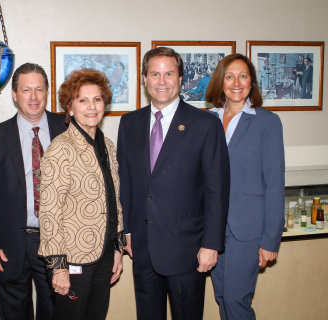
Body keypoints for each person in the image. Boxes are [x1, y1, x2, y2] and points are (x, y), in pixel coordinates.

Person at [116, 47, 230, 320]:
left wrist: (211, 245)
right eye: (155, 74)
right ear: (145, 79)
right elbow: (126, 183)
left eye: (169, 73)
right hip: (143, 249)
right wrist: (127, 232)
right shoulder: (129, 123)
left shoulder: (205, 124)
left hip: (188, 251)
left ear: (180, 79)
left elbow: (217, 189)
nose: (162, 81)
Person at [0, 63, 67, 320]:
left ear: (47, 92)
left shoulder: (69, 128)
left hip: (58, 242)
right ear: (15, 94)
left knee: (57, 311)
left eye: (39, 89)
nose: (33, 97)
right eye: (26, 90)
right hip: (9, 245)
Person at [38, 68, 126, 320]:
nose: (91, 107)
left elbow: (114, 200)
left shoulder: (108, 146)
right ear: (70, 108)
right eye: (83, 100)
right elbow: (49, 212)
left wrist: (118, 249)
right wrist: (58, 268)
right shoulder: (60, 149)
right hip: (72, 260)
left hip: (104, 255)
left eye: (97, 99)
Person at [205, 53, 285, 320]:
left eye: (243, 76)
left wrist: (270, 239)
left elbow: (275, 183)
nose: (236, 82)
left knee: (235, 300)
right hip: (213, 228)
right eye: (229, 76)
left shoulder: (267, 122)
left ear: (252, 82)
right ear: (220, 82)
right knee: (222, 298)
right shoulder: (207, 120)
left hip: (247, 231)